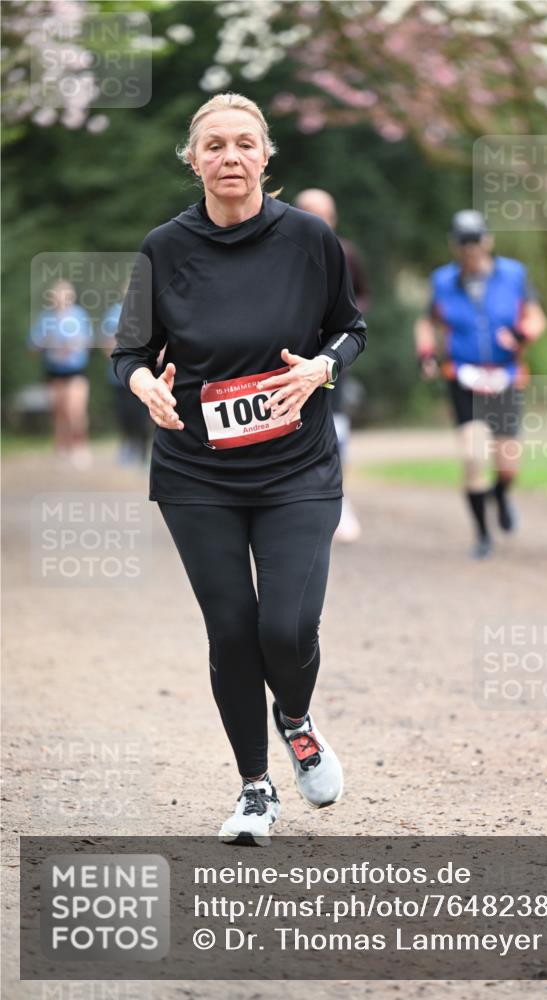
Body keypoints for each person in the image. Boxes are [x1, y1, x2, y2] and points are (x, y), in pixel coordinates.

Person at [111, 93, 367, 845]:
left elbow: (349, 329)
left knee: (285, 627)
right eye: (214, 145)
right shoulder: (164, 247)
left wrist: (320, 368)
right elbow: (128, 351)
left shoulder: (310, 239)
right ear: (192, 159)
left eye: (244, 143)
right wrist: (142, 384)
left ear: (266, 155)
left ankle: (296, 719)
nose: (229, 157)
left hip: (297, 466)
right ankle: (255, 789)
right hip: (197, 470)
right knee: (231, 631)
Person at [415, 210, 547, 558]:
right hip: (463, 376)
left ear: (487, 240)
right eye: (463, 242)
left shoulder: (514, 274)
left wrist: (521, 334)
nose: (470, 248)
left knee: (508, 464)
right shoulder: (443, 281)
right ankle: (482, 536)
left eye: (475, 240)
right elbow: (426, 323)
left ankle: (501, 495)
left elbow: (536, 317)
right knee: (474, 456)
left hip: (504, 376)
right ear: (454, 245)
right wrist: (426, 354)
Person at [294, 189, 370, 543]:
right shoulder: (280, 252)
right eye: (311, 212)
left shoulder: (346, 253)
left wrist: (344, 319)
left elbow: (362, 296)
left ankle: (339, 500)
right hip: (285, 361)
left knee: (337, 433)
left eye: (326, 213)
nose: (320, 220)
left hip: (332, 361)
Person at [28, 278, 94, 468]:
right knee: (59, 412)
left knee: (76, 409)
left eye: (64, 294)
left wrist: (73, 346)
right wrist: (45, 342)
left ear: (71, 297)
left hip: (76, 370)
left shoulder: (79, 316)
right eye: (57, 294)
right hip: (53, 371)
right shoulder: (45, 318)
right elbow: (32, 345)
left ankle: (80, 446)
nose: (61, 299)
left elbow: (87, 342)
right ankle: (61, 449)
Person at [100, 288, 151, 465]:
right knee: (125, 414)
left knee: (142, 415)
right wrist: (121, 362)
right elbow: (107, 343)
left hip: (146, 375)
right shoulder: (113, 315)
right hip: (119, 377)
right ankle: (128, 445)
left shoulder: (150, 312)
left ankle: (143, 450)